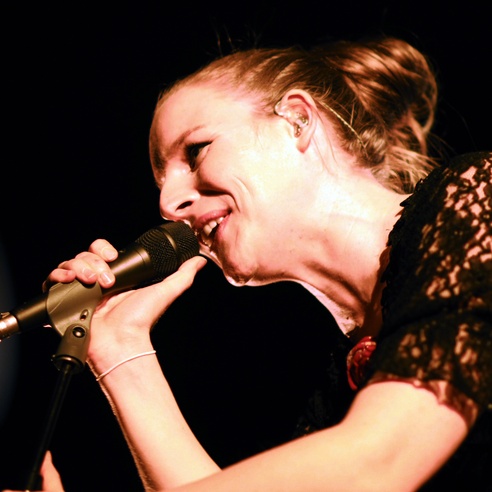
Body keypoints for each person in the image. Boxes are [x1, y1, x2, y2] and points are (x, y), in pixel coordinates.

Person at [8, 36, 491, 491]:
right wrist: (117, 343)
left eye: (196, 151)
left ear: (297, 120)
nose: (168, 204)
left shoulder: (479, 195)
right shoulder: (334, 394)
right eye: (161, 184)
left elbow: (377, 462)